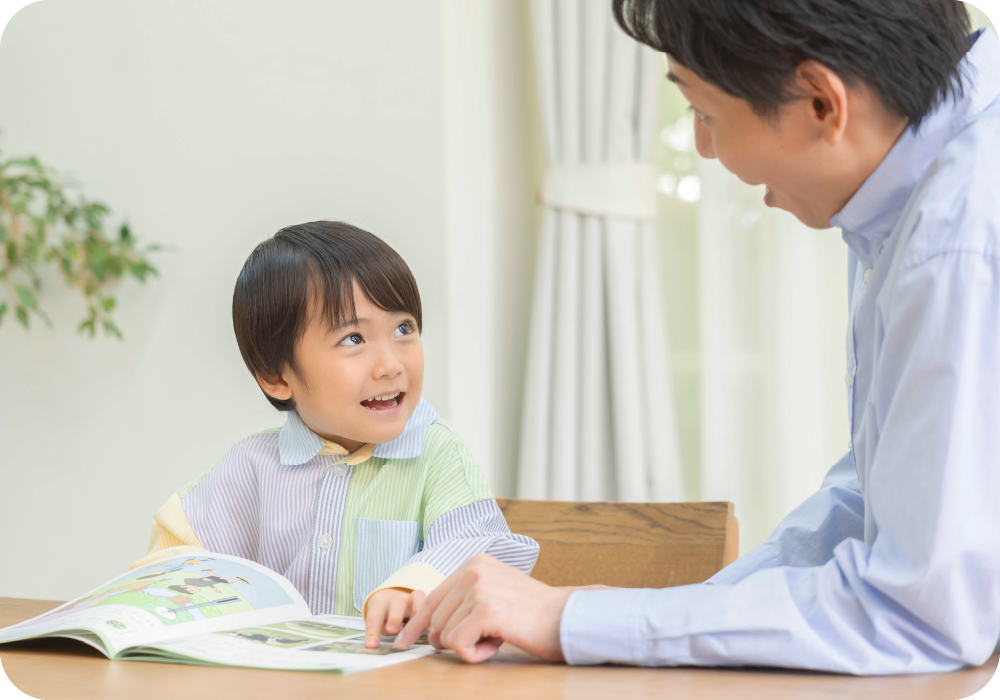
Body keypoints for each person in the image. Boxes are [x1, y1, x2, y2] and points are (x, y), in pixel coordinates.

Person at [394, 0, 1000, 675]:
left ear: (822, 103)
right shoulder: (906, 188)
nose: (704, 148)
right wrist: (620, 616)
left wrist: (570, 619)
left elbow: (920, 613)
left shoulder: (958, 240)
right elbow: (877, 497)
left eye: (705, 114)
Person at [134, 221, 539, 648]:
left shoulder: (435, 453)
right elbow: (175, 555)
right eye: (353, 338)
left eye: (404, 329)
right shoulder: (253, 467)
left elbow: (481, 550)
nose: (389, 365)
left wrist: (412, 584)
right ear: (276, 376)